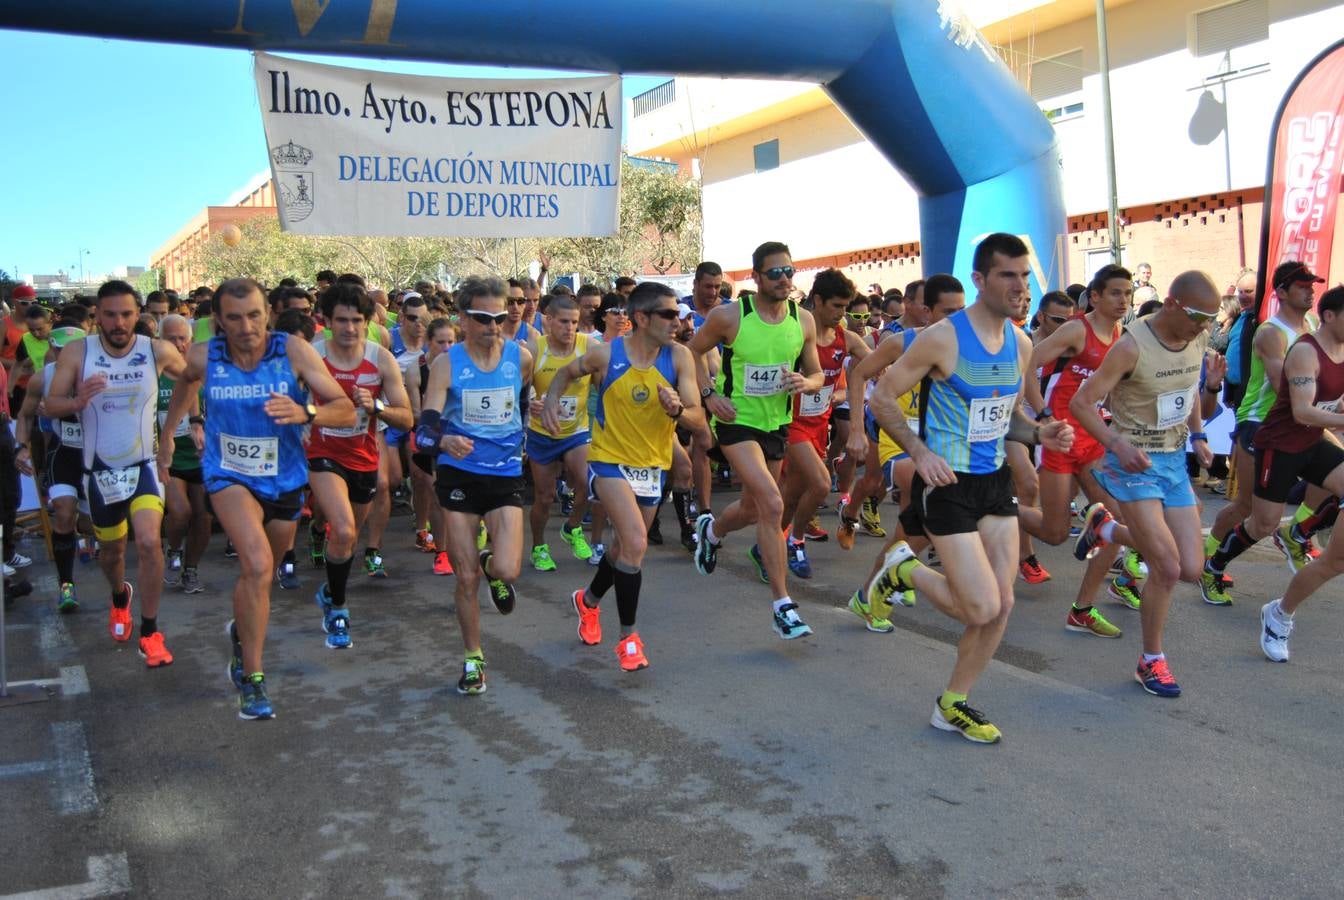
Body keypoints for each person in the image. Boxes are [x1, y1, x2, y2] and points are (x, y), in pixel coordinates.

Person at [861, 235, 1073, 742]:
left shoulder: (1021, 344)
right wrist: (918, 451)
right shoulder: (942, 338)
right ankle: (902, 571)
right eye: (1008, 275)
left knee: (1003, 604)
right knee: (979, 606)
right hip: (948, 485)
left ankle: (952, 703)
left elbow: (1008, 418)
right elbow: (883, 398)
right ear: (980, 280)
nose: (1020, 287)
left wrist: (1039, 432)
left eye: (1025, 276)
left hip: (994, 484)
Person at [159, 277, 355, 719]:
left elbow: (343, 408)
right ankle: (253, 678)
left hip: (284, 477)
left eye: (254, 315)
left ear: (267, 313)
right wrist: (170, 436)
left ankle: (239, 636)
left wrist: (307, 411)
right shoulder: (205, 353)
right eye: (234, 317)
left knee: (262, 576)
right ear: (218, 321)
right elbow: (188, 383)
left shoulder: (292, 351)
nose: (246, 326)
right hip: (228, 473)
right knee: (258, 564)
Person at [1069, 271, 1223, 698]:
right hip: (1132, 465)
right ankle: (1151, 661)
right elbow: (1082, 403)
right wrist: (1115, 443)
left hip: (1174, 461)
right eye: (1198, 316)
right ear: (1172, 303)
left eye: (1211, 318)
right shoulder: (1130, 347)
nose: (1204, 325)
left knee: (1192, 568)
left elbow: (1188, 392)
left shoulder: (1197, 339)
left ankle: (1105, 528)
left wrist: (1199, 436)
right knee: (1168, 568)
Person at [543, 282, 705, 669]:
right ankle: (628, 638)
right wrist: (550, 401)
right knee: (635, 542)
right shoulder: (606, 355)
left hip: (651, 467)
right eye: (668, 314)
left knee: (623, 551)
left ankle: (587, 602)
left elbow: (699, 420)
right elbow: (565, 374)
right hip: (607, 460)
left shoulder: (680, 358)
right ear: (641, 318)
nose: (676, 321)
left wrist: (678, 410)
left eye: (678, 314)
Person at [44, 281, 188, 668]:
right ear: (98, 317)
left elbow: (192, 380)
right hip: (99, 470)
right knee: (112, 553)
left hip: (143, 465)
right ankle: (120, 597)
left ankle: (151, 631)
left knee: (147, 543)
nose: (119, 322)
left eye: (126, 314)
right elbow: (49, 404)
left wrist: (171, 433)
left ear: (136, 313)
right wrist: (75, 401)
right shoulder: (78, 352)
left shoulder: (156, 350)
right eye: (109, 315)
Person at [689, 241, 825, 640]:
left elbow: (816, 373)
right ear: (756, 277)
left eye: (789, 271)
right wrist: (711, 395)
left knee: (751, 509)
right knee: (771, 502)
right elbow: (691, 352)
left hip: (776, 424)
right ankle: (783, 605)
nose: (784, 279)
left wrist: (807, 381)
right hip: (737, 424)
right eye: (775, 273)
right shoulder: (731, 316)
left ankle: (711, 532)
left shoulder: (803, 321)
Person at [416, 276, 532, 696]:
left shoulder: (520, 358)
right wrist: (443, 438)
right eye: (483, 318)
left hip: (504, 473)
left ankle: (491, 564)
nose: (493, 325)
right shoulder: (447, 363)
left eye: (500, 317)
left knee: (507, 569)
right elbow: (425, 426)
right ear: (462, 318)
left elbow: (519, 405)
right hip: (460, 472)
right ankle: (473, 659)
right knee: (464, 579)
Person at [1202, 261, 1322, 604]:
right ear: (1281, 292)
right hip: (1261, 423)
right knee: (1245, 507)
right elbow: (1280, 383)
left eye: (1311, 285)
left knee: (1332, 478)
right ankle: (1207, 561)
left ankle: (1296, 532)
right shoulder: (1271, 332)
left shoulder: (1311, 323)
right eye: (1302, 285)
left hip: (1300, 420)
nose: (1310, 290)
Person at [306, 283, 413, 649]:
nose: (349, 328)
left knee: (347, 539)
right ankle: (338, 608)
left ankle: (330, 590)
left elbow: (406, 419)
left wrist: (377, 407)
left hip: (363, 455)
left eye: (356, 320)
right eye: (341, 320)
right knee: (346, 531)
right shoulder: (312, 356)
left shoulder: (381, 359)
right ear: (326, 321)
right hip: (321, 451)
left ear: (367, 322)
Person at [1257, 290, 1344, 661]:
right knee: (1261, 523)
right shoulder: (1307, 351)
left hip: (1312, 444)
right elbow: (1303, 412)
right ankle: (1276, 612)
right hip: (1281, 445)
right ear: (1328, 316)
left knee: (1336, 559)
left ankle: (1299, 533)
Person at [780, 269, 869, 578]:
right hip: (790, 422)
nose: (842, 314)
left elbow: (873, 363)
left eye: (846, 307)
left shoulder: (846, 338)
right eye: (836, 306)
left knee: (792, 496)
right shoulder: (794, 334)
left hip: (820, 426)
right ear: (817, 301)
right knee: (820, 484)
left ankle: (768, 545)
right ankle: (795, 542)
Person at [14, 325, 87, 611]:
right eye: (60, 350)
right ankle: (66, 584)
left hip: (98, 457)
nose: (67, 354)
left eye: (73, 348)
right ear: (52, 350)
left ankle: (85, 537)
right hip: (64, 455)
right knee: (64, 514)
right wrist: (20, 447)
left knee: (90, 525)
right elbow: (24, 416)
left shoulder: (100, 373)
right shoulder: (42, 378)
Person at [525, 294, 595, 571]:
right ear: (549, 321)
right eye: (564, 322)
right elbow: (522, 387)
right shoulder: (534, 349)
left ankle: (572, 527)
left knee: (587, 482)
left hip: (577, 430)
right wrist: (531, 400)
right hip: (542, 432)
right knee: (544, 497)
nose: (569, 328)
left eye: (575, 322)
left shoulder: (588, 347)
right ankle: (539, 547)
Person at [157, 315, 211, 595]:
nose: (178, 345)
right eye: (171, 338)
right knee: (180, 512)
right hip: (171, 458)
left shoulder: (202, 373)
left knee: (203, 517)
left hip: (201, 457)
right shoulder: (154, 375)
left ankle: (191, 569)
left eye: (183, 338)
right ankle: (173, 550)